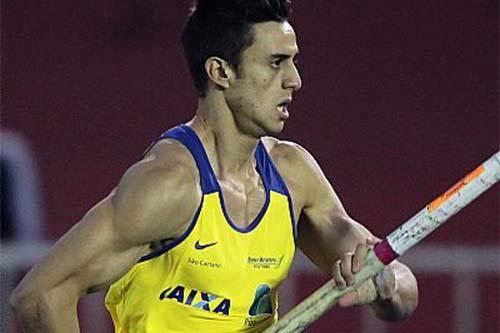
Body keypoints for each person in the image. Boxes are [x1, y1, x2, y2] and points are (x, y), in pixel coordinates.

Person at [10, 0, 418, 332]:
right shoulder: (170, 185)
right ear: (220, 72)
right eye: (276, 62)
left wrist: (385, 284)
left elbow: (400, 285)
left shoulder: (293, 176)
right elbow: (39, 296)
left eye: (293, 61)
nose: (295, 80)